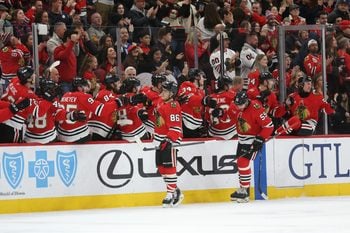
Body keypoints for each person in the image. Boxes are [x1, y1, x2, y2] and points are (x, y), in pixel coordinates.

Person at [230, 90, 274, 203]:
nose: (238, 107)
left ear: (246, 101)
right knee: (240, 163)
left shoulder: (256, 108)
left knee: (242, 162)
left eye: (240, 104)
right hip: (241, 139)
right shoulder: (236, 106)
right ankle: (243, 189)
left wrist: (260, 138)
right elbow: (231, 115)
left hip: (252, 140)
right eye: (237, 104)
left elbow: (269, 126)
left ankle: (245, 191)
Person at [154, 80, 184, 207]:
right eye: (163, 90)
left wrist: (168, 140)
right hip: (159, 141)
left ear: (172, 93)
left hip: (168, 141)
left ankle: (170, 193)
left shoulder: (173, 106)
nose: (162, 93)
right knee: (161, 169)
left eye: (165, 91)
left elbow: (175, 127)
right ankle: (176, 190)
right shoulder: (161, 103)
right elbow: (159, 123)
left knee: (169, 168)